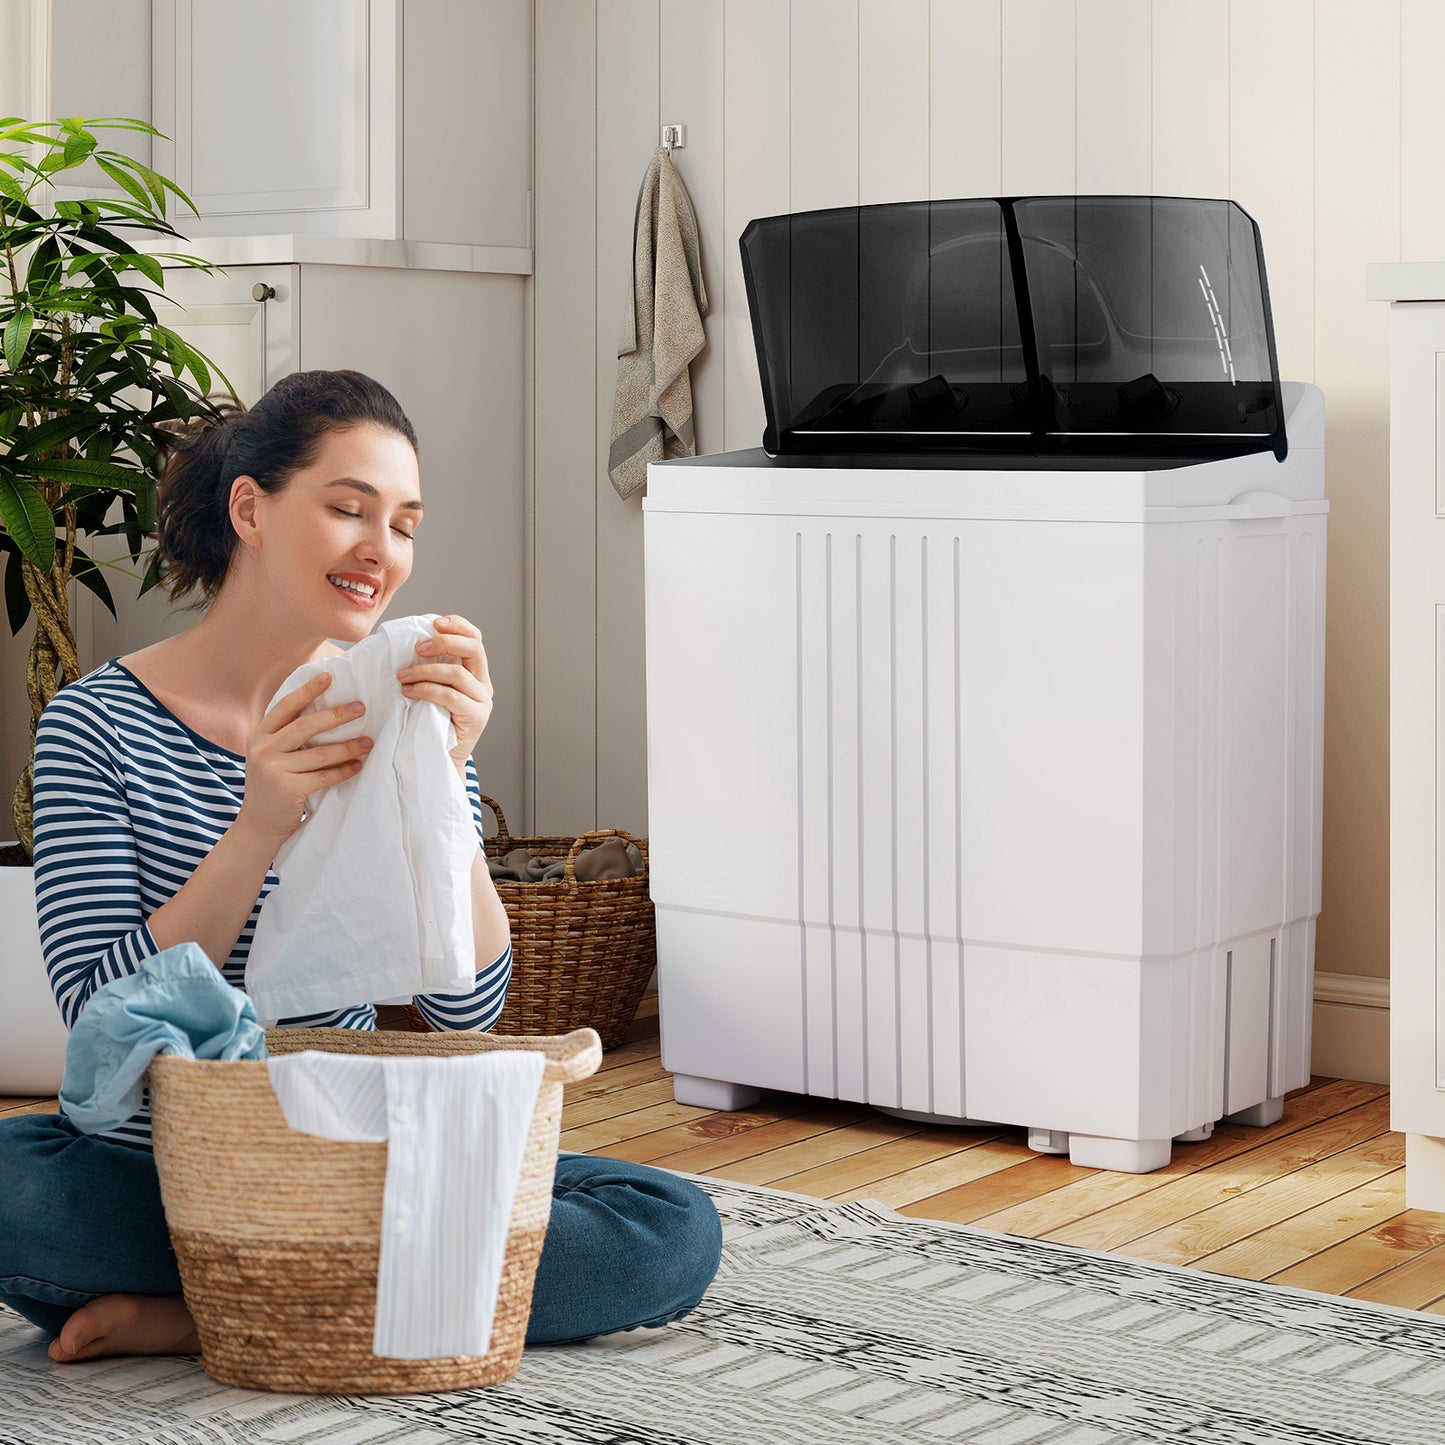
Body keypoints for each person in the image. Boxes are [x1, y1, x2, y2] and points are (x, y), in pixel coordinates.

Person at [0, 369, 721, 1362]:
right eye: (348, 510)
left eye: (405, 523)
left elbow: (468, 1012)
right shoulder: (97, 725)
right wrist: (258, 825)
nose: (382, 550)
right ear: (249, 508)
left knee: (667, 1222)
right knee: (17, 1181)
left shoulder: (400, 719)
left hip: (355, 1158)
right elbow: (99, 1015)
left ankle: (212, 1308)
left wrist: (445, 779)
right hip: (164, 1166)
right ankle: (380, 1294)